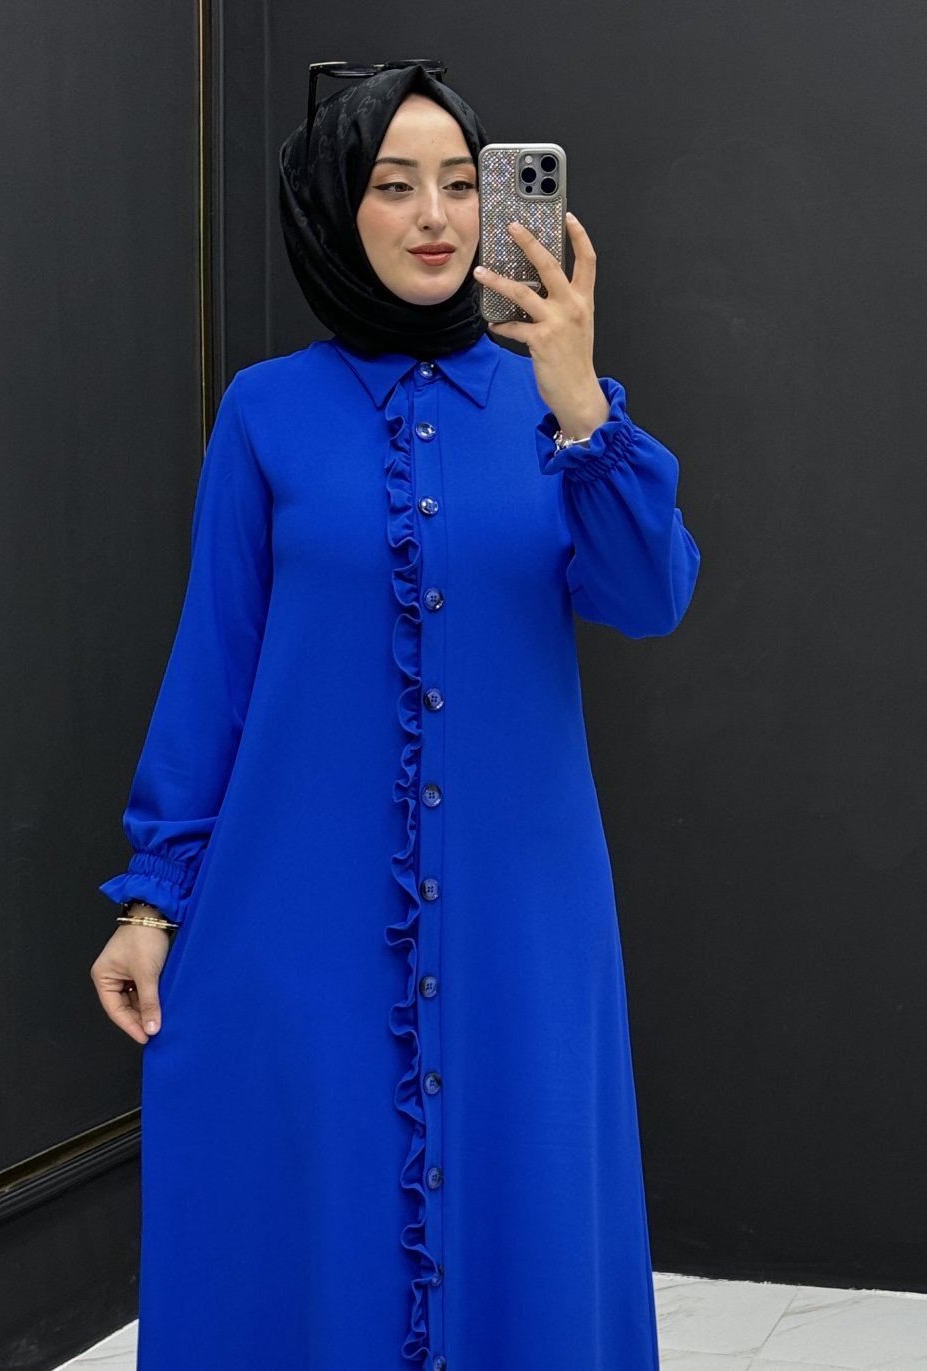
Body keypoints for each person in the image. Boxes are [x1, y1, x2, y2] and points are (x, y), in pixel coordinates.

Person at [91, 61, 700, 1371]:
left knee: (526, 1195)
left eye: (463, 184)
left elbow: (649, 597)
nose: (435, 216)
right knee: (312, 1223)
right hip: (298, 909)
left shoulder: (556, 406)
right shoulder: (264, 413)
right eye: (393, 184)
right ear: (334, 206)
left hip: (519, 911)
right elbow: (216, 665)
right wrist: (154, 900)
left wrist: (583, 401)